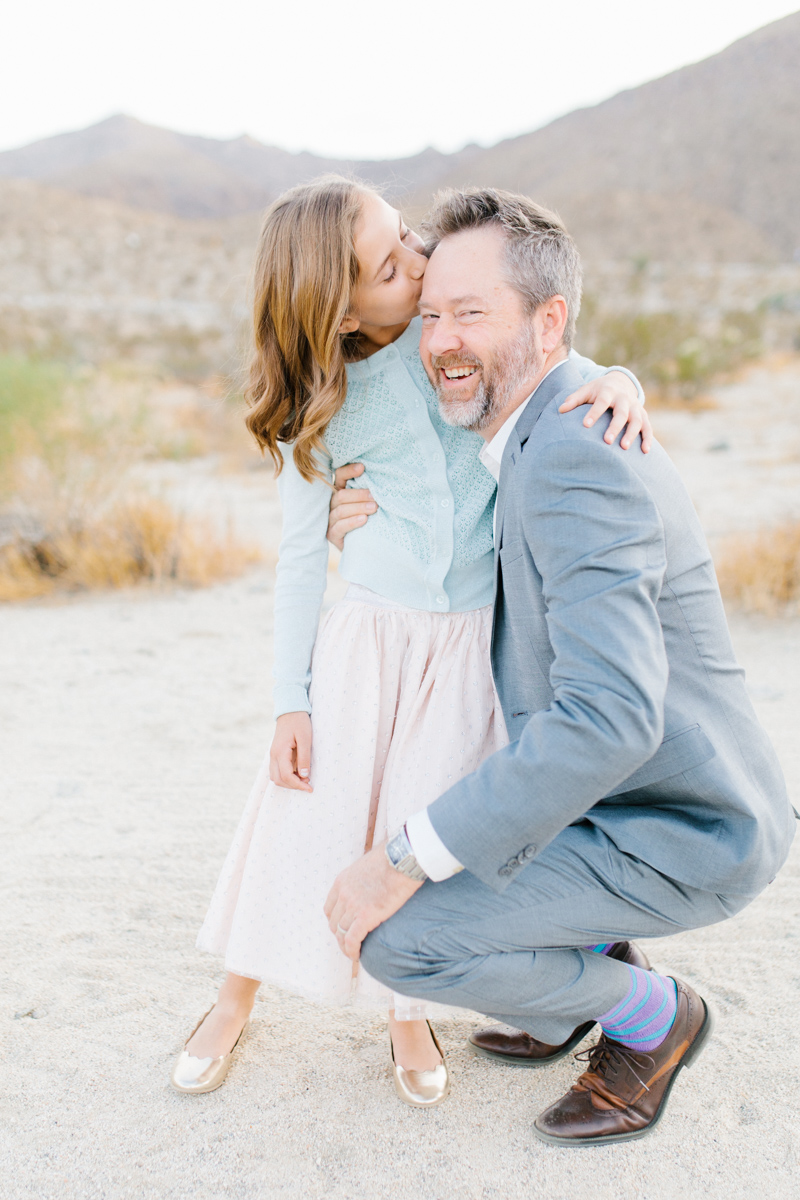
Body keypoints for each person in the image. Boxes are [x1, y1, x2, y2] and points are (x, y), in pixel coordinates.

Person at [325, 187, 796, 1143]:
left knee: (399, 939)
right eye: (429, 315)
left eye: (471, 313)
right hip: (605, 802)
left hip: (681, 826)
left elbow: (610, 720)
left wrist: (401, 857)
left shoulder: (576, 450)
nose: (442, 340)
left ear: (548, 322)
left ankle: (653, 1018)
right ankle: (564, 982)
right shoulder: (530, 421)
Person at [171, 176, 651, 1106]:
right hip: (367, 642)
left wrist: (621, 381)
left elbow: (566, 367)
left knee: (423, 824)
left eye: (407, 235)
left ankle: (408, 1010)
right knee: (306, 821)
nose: (420, 260)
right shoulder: (330, 399)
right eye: (391, 267)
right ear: (341, 313)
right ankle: (233, 999)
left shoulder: (459, 345)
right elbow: (300, 559)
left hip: (469, 645)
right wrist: (288, 698)